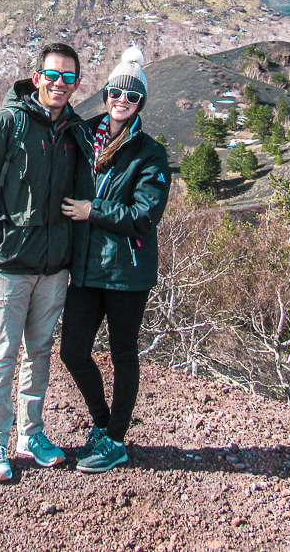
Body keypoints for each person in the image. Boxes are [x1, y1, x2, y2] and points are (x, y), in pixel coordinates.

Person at [0, 42, 92, 482]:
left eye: (69, 78)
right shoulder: (6, 125)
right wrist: (2, 240)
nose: (60, 84)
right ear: (36, 77)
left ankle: (30, 434)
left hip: (54, 268)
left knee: (39, 353)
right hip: (12, 267)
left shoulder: (75, 132)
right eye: (53, 75)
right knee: (2, 353)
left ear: (76, 84)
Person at [60, 46, 171, 473]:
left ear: (141, 102)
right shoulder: (85, 135)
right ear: (105, 94)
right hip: (86, 268)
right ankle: (103, 425)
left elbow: (145, 217)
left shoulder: (150, 154)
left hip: (127, 271)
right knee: (73, 351)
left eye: (131, 96)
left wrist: (93, 211)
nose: (121, 101)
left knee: (123, 353)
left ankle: (116, 440)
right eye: (115, 93)